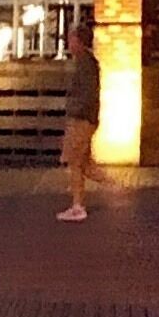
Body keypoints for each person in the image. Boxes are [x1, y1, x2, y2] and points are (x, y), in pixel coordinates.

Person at [58, 17, 100, 222]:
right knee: (85, 164)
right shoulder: (86, 62)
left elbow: (87, 94)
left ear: (80, 41)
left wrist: (74, 111)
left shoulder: (85, 64)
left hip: (81, 120)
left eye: (72, 39)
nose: (69, 43)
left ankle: (77, 206)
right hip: (83, 118)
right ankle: (121, 188)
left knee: (76, 163)